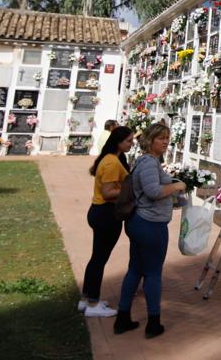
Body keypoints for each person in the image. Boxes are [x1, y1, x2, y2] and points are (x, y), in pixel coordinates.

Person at [114, 122, 186, 338]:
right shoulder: (148, 163)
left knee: (135, 269)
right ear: (149, 140)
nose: (165, 141)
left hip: (142, 223)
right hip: (149, 224)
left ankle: (123, 318)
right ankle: (153, 323)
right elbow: (153, 191)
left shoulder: (151, 161)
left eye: (167, 137)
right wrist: (177, 186)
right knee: (153, 273)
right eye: (160, 138)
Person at [80, 126, 134, 318]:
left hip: (99, 212)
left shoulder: (111, 159)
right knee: (100, 259)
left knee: (96, 258)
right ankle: (93, 304)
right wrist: (132, 189)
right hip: (106, 214)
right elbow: (109, 193)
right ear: (118, 142)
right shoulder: (111, 162)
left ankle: (86, 298)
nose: (131, 144)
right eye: (128, 141)